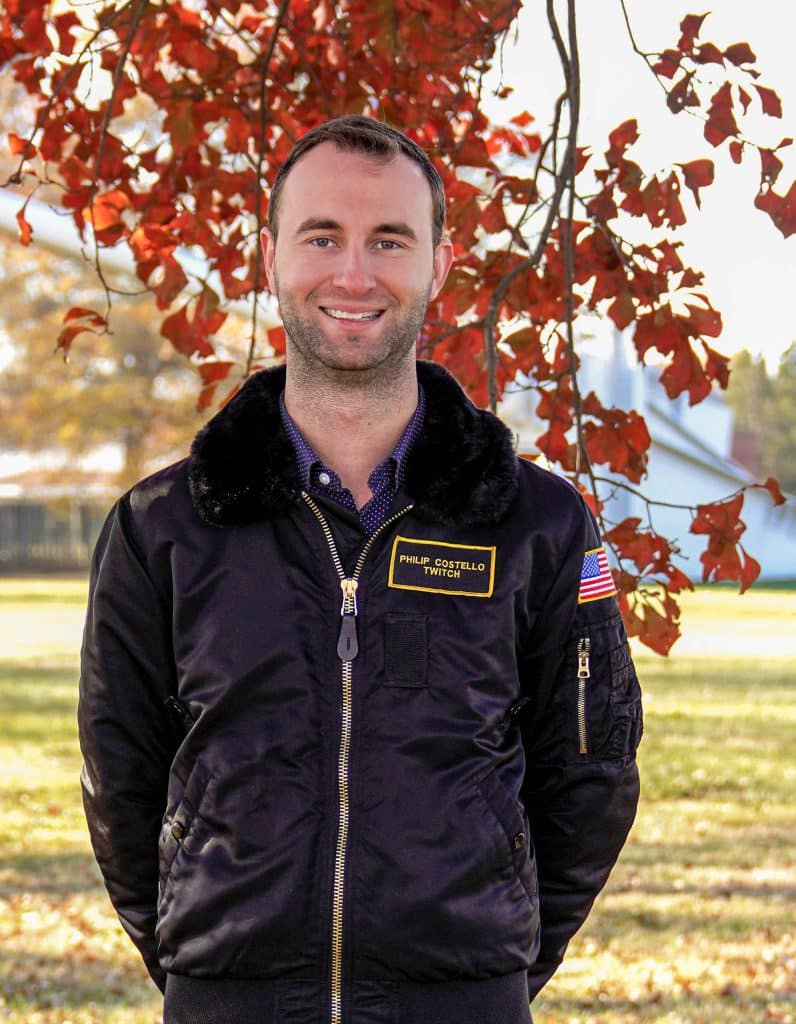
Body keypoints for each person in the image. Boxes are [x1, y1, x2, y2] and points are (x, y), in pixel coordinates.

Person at [78, 115, 643, 1024]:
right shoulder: (164, 528)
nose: (353, 274)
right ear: (271, 258)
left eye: (389, 240)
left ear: (440, 265)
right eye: (322, 237)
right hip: (229, 1000)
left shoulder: (538, 524)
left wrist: (496, 972)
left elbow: (593, 769)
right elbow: (121, 775)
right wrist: (204, 966)